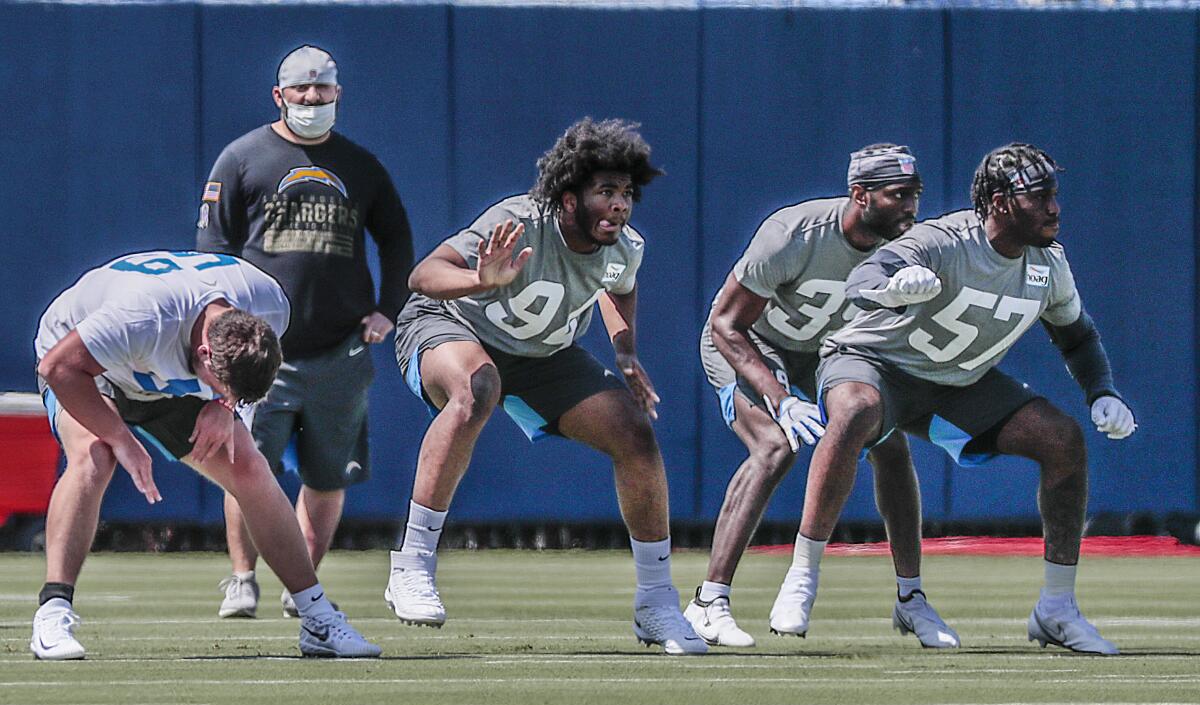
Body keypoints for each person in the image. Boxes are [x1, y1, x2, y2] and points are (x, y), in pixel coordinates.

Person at [772, 143, 1136, 655]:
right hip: (877, 365)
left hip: (956, 385)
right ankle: (803, 574)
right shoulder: (945, 240)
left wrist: (1102, 392)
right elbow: (861, 280)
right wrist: (893, 288)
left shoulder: (1048, 264)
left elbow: (1076, 337)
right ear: (1002, 202)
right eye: (1040, 196)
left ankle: (1056, 609)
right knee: (855, 410)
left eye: (1055, 195)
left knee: (1062, 439)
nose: (1054, 207)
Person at [389, 117, 705, 655]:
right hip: (452, 324)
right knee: (476, 389)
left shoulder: (626, 247)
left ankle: (656, 602)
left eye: (627, 193)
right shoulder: (519, 221)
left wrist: (625, 351)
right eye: (605, 191)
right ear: (567, 197)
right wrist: (478, 280)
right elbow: (424, 276)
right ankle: (411, 565)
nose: (620, 205)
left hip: (541, 355)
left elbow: (619, 287)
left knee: (634, 431)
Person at [31, 250, 381, 660]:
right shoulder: (140, 319)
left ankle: (317, 616)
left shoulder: (269, 302)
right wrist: (121, 438)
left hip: (158, 372)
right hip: (88, 368)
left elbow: (247, 378)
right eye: (222, 385)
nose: (224, 393)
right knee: (96, 456)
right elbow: (58, 368)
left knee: (250, 467)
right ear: (203, 356)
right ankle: (52, 613)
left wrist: (226, 404)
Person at [690, 144, 959, 649]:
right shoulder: (794, 233)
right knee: (776, 447)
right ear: (860, 195)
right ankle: (709, 600)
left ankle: (910, 598)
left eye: (915, 196)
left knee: (889, 445)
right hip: (749, 344)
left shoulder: (907, 249)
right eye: (898, 195)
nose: (910, 209)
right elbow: (727, 324)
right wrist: (781, 398)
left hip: (826, 353)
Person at [197, 44, 414, 619]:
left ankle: (304, 587)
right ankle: (242, 578)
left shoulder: (361, 166)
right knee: (245, 468)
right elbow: (213, 249)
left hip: (340, 346)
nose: (312, 100)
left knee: (326, 474)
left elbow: (396, 239)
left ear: (338, 94)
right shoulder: (242, 158)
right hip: (258, 352)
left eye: (322, 90)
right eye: (301, 90)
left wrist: (387, 308)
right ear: (280, 95)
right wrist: (226, 327)